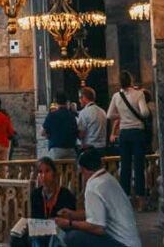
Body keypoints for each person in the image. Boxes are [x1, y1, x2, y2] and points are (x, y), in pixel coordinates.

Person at [55, 147, 141, 247]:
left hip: (122, 243)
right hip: (131, 243)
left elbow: (98, 227)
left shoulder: (94, 186)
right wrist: (73, 215)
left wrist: (69, 223)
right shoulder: (108, 178)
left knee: (73, 237)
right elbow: (99, 213)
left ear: (82, 170)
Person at [10, 156, 76, 247]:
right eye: (40, 172)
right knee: (17, 237)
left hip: (57, 232)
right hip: (39, 231)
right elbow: (34, 218)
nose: (43, 176)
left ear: (54, 174)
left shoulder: (66, 195)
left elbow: (68, 222)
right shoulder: (36, 194)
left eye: (47, 171)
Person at [106, 71, 149, 207]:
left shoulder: (116, 96)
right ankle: (141, 198)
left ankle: (126, 198)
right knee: (138, 165)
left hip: (124, 133)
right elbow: (145, 113)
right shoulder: (139, 94)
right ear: (131, 80)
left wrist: (122, 115)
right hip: (137, 132)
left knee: (125, 166)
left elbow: (109, 115)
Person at [42, 92, 78, 160]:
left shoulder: (52, 115)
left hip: (56, 149)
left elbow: (43, 132)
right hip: (71, 149)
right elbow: (76, 131)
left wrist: (50, 136)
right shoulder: (72, 116)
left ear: (55, 102)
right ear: (67, 102)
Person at [78, 87, 108, 155]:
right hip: (102, 147)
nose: (79, 100)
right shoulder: (102, 111)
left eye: (80, 98)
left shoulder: (84, 112)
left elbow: (82, 134)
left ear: (84, 97)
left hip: (89, 148)